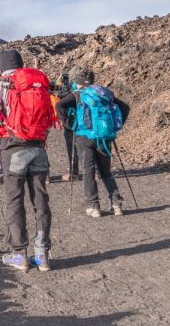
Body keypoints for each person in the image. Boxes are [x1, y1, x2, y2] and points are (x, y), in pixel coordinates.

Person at [0, 49, 57, 272]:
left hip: (13, 148)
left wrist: (1, 131)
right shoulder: (38, 83)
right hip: (38, 148)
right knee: (40, 200)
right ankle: (42, 255)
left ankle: (19, 255)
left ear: (1, 65)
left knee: (15, 200)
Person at [55, 69, 131, 218]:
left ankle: (93, 206)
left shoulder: (77, 94)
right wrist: (116, 126)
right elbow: (125, 107)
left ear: (78, 82)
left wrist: (69, 124)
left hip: (84, 137)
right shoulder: (103, 93)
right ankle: (116, 204)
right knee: (105, 172)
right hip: (104, 137)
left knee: (88, 171)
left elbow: (59, 106)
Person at [56, 70, 80, 181]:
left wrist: (65, 122)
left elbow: (59, 105)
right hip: (87, 122)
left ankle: (73, 172)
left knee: (71, 147)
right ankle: (94, 171)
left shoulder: (69, 89)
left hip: (71, 121)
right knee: (89, 146)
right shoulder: (90, 89)